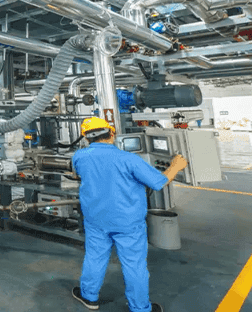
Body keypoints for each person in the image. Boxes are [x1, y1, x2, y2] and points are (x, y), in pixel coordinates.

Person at [71, 116, 189, 312]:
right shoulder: (129, 159)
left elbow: (80, 174)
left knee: (94, 257)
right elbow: (158, 182)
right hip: (127, 222)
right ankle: (140, 307)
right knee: (134, 265)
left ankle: (89, 296)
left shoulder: (79, 157)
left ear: (86, 138)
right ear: (111, 134)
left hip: (95, 219)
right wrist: (176, 166)